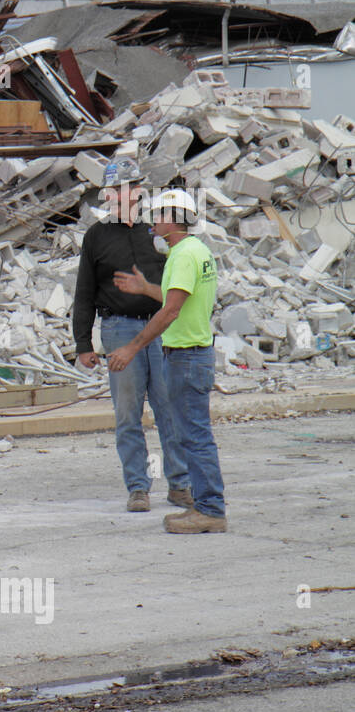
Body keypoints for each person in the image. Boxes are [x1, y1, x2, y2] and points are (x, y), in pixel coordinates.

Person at [72, 158, 191, 513]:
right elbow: (84, 293)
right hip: (118, 329)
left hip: (161, 327)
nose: (113, 196)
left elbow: (178, 284)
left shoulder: (156, 231)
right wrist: (83, 344)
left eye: (121, 189)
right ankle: (138, 487)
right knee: (128, 414)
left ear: (136, 191)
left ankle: (180, 485)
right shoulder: (97, 236)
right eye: (110, 191)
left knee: (169, 409)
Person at [109, 188, 227, 533]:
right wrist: (146, 288)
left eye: (159, 215)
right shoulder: (196, 250)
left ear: (174, 220)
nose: (153, 221)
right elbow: (176, 296)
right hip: (194, 354)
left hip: (186, 357)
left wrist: (132, 348)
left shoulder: (181, 255)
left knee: (194, 436)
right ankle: (207, 506)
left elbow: (171, 310)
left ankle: (210, 510)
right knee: (192, 434)